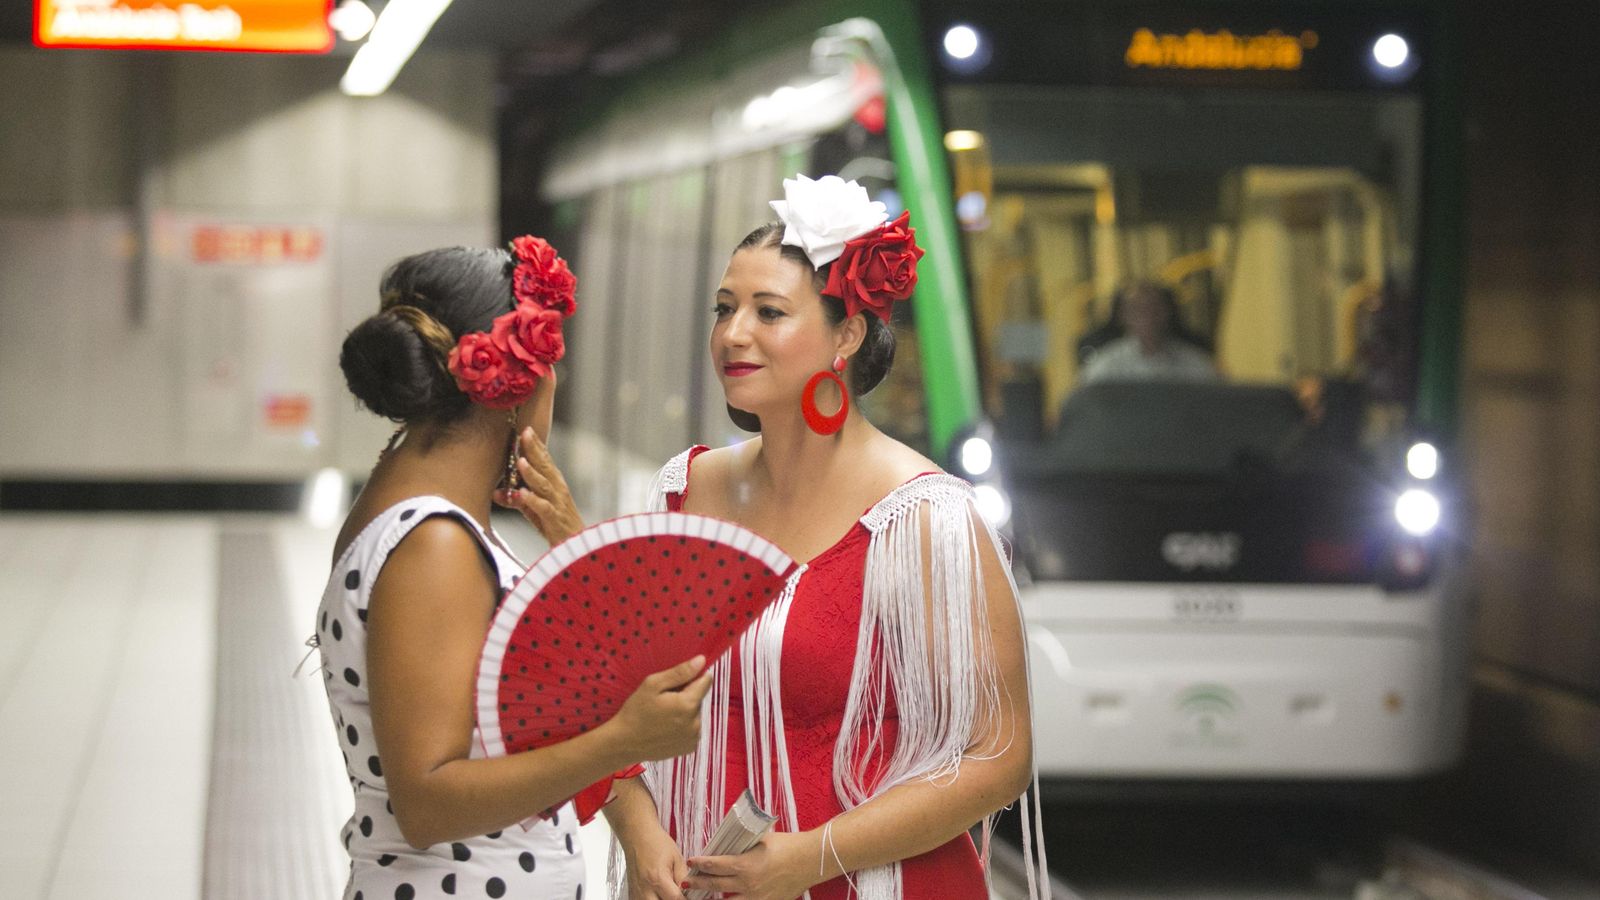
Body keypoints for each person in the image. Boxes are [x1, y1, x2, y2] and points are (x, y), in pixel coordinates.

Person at [603, 175, 1049, 900]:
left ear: (847, 334)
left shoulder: (926, 519)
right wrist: (640, 833)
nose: (733, 333)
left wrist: (811, 857)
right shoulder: (682, 492)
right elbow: (609, 696)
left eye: (769, 311)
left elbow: (998, 757)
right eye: (724, 308)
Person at [317, 240, 712, 900]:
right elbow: (428, 804)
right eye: (554, 367)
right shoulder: (435, 544)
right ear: (519, 383)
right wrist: (620, 741)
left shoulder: (395, 505)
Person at [1079, 280, 1218, 384]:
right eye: (1137, 309)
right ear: (1122, 316)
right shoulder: (1105, 367)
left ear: (1168, 312)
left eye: (1154, 308)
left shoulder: (1195, 364)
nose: (1148, 316)